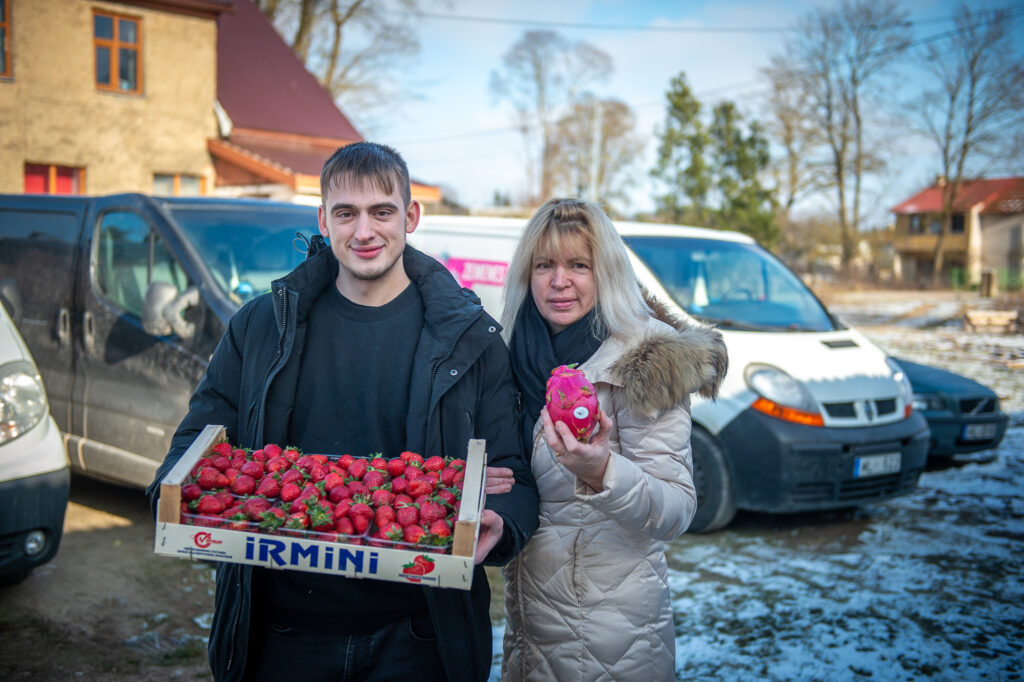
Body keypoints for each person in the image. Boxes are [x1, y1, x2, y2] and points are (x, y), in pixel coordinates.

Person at [147, 142, 539, 682]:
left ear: (411, 216)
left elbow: (512, 474)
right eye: (345, 213)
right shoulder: (262, 326)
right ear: (323, 219)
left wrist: (505, 518)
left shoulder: (470, 340)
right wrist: (175, 494)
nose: (364, 232)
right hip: (281, 633)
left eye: (382, 211)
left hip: (418, 634)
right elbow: (199, 435)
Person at [499, 198, 727, 681]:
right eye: (545, 265)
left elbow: (676, 509)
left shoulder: (642, 360)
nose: (559, 281)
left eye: (578, 265)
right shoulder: (510, 351)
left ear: (606, 273)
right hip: (529, 629)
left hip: (612, 639)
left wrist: (601, 471)